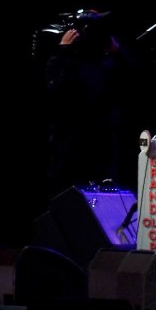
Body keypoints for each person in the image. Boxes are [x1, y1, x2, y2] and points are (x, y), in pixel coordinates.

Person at [44, 10, 140, 197]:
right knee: (67, 199)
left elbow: (136, 80)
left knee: (104, 198)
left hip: (101, 147)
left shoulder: (106, 62)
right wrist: (65, 51)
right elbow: (55, 91)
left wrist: (116, 50)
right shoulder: (61, 61)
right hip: (69, 147)